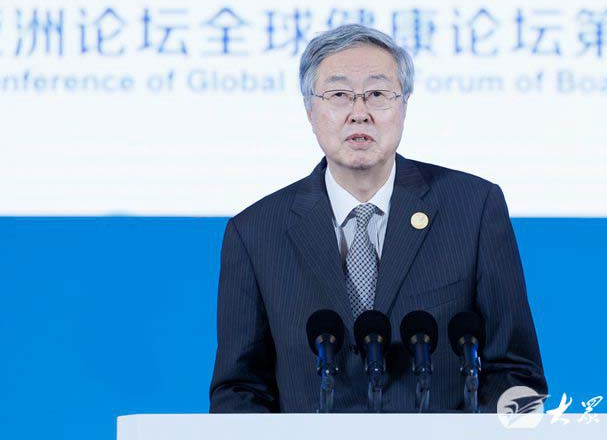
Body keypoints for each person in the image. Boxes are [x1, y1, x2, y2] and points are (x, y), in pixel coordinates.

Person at [209, 24, 547, 413]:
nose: (359, 113)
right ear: (309, 110)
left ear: (404, 105)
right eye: (339, 95)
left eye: (377, 94)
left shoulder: (473, 208)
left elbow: (517, 373)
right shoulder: (255, 232)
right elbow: (239, 390)